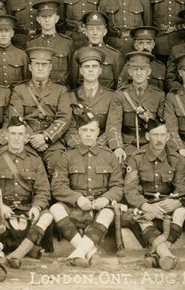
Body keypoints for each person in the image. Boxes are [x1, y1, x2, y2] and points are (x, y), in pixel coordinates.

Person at [49, 111, 123, 266]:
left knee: (109, 212)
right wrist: (77, 198)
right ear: (78, 133)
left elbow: (117, 186)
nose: (88, 135)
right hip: (75, 207)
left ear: (98, 132)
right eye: (84, 130)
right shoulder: (67, 156)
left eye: (92, 130)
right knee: (55, 208)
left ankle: (78, 253)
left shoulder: (109, 156)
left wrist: (105, 198)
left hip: (98, 208)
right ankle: (89, 253)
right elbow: (57, 186)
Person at [122, 116, 185, 270]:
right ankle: (166, 254)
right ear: (147, 136)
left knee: (182, 211)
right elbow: (130, 190)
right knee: (141, 217)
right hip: (146, 207)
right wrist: (145, 205)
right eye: (155, 135)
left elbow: (181, 187)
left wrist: (177, 201)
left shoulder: (176, 159)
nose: (159, 140)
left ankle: (156, 255)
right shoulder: (136, 159)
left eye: (162, 135)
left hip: (167, 207)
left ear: (168, 136)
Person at [0, 117, 52, 267]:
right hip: (4, 210)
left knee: (47, 216)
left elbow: (43, 190)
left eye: (20, 134)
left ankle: (17, 254)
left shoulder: (35, 160)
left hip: (27, 210)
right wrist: (0, 206)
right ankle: (27, 248)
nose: (16, 138)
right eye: (13, 134)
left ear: (26, 137)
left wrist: (36, 207)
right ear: (6, 136)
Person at [0, 47, 71, 168]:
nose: (40, 68)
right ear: (30, 67)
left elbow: (64, 117)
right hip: (25, 140)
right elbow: (16, 117)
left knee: (57, 162)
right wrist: (33, 138)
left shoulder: (61, 90)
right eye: (37, 64)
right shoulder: (19, 90)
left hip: (52, 142)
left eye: (44, 64)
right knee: (20, 164)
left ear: (50, 67)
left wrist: (45, 137)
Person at [66, 47, 122, 157]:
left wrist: (97, 145)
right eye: (86, 66)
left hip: (103, 147)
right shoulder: (70, 96)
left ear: (100, 70)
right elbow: (69, 128)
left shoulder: (111, 96)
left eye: (94, 66)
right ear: (81, 71)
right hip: (77, 148)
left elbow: (112, 126)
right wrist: (80, 145)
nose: (90, 70)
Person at [112, 51, 166, 149]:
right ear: (130, 72)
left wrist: (148, 117)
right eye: (135, 69)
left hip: (150, 144)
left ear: (149, 72)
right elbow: (114, 125)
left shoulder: (159, 95)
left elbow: (161, 127)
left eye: (142, 69)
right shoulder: (120, 94)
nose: (139, 73)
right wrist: (117, 147)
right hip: (126, 144)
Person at [25, 0, 73, 86]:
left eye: (50, 16)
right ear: (38, 19)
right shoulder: (32, 43)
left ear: (56, 18)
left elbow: (72, 72)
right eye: (43, 17)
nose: (47, 20)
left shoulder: (66, 43)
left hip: (61, 90)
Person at [74, 11, 123, 90]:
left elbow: (119, 86)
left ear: (105, 32)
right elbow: (73, 84)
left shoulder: (115, 55)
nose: (95, 33)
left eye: (99, 29)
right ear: (85, 32)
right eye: (90, 29)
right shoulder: (78, 54)